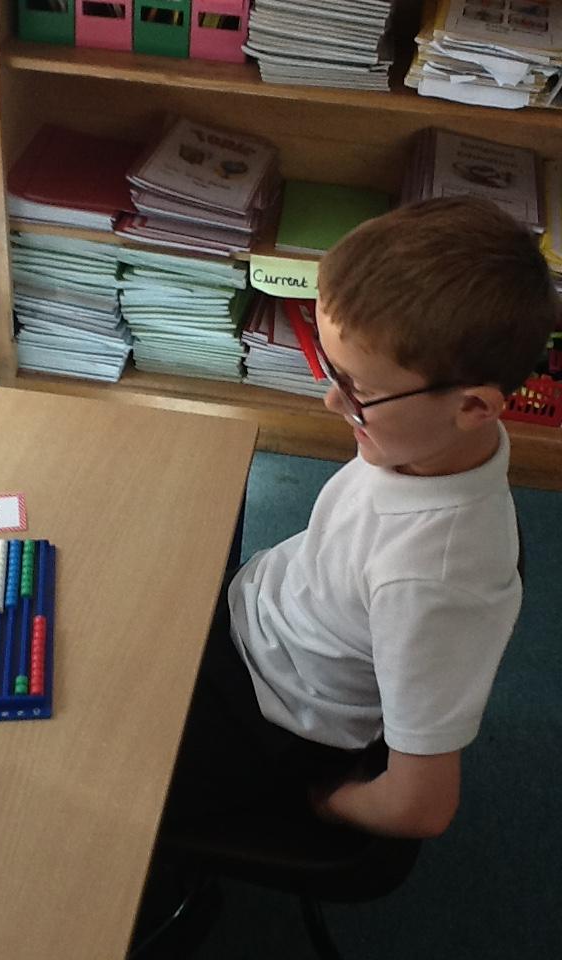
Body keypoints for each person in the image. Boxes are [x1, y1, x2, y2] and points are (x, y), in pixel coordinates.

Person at [162, 196, 559, 840]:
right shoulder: (424, 443)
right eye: (333, 370)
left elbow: (421, 807)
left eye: (358, 390)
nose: (330, 400)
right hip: (263, 622)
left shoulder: (431, 578)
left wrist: (325, 805)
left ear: (474, 408)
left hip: (273, 713)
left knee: (92, 768)